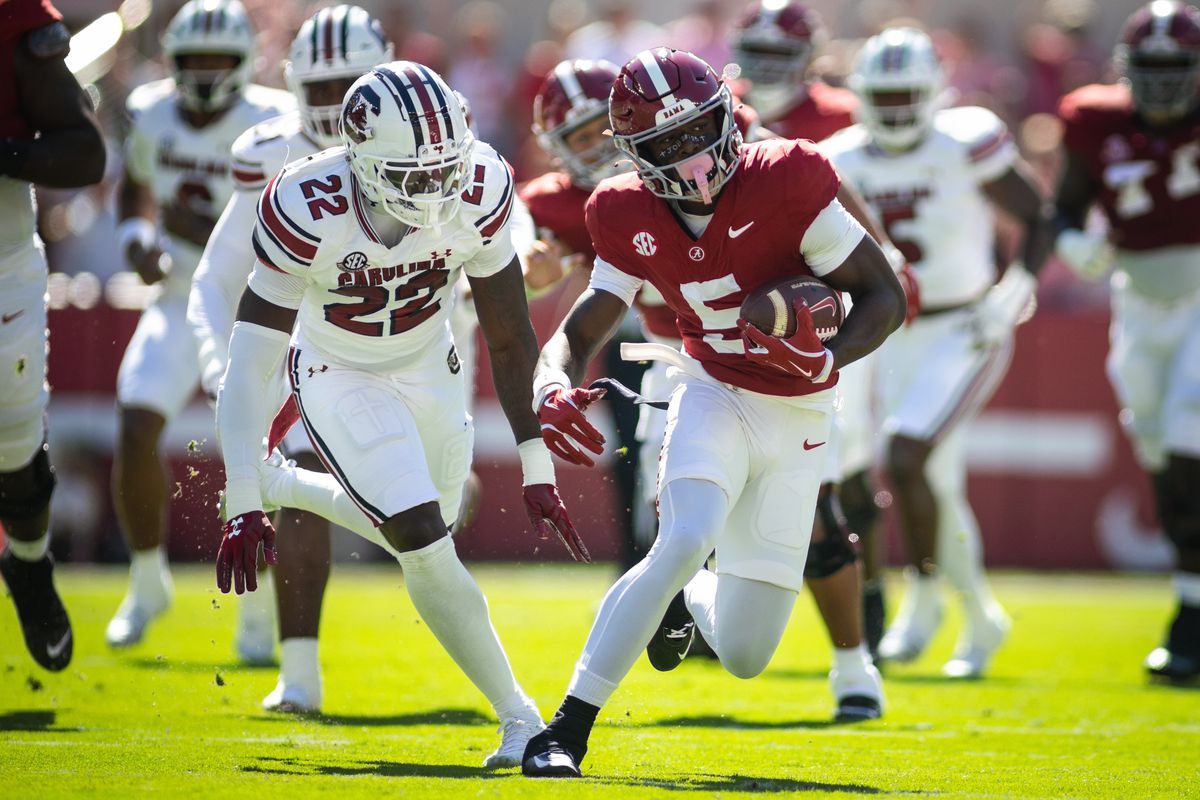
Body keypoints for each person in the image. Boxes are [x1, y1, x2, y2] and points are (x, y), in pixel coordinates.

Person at [521, 48, 906, 778]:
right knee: (682, 536)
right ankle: (566, 729)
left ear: (728, 116)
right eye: (665, 143)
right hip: (711, 388)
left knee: (747, 654)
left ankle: (690, 595)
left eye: (697, 130)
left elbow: (883, 296)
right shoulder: (621, 207)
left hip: (798, 409)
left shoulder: (788, 176)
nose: (689, 153)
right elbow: (580, 327)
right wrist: (551, 382)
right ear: (633, 152)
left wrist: (826, 361)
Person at [212, 61, 583, 767]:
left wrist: (538, 466)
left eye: (445, 168)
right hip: (337, 368)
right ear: (361, 160)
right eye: (414, 174)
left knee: (433, 525)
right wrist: (239, 497)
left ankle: (288, 484)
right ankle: (523, 723)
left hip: (428, 363)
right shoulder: (305, 201)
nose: (437, 188)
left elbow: (509, 337)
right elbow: (249, 360)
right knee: (419, 535)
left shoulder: (479, 183)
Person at [823, 27, 1053, 678]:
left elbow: (1038, 215)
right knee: (933, 483)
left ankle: (922, 598)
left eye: (906, 95)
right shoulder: (840, 156)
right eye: (883, 96)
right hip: (889, 334)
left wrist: (1017, 286)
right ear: (862, 95)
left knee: (905, 453)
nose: (895, 109)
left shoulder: (966, 139)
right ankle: (981, 617)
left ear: (934, 94)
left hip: (964, 327)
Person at [187, 4, 392, 709]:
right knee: (297, 474)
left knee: (435, 517)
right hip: (305, 343)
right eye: (322, 87)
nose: (336, 105)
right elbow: (215, 276)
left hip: (408, 343)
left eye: (351, 84)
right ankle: (299, 672)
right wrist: (222, 363)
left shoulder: (426, 134)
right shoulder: (270, 154)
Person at [106, 0, 294, 652]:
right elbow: (134, 184)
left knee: (254, 449)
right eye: (194, 60)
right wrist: (136, 235)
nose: (207, 71)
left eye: (218, 58)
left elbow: (278, 219)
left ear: (244, 61)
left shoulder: (274, 120)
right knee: (135, 424)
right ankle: (146, 578)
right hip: (179, 298)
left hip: (255, 305)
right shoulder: (153, 110)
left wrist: (181, 230)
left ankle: (255, 604)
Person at [733, 0, 915, 657]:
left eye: (780, 55)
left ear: (810, 58)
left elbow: (857, 208)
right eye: (756, 53)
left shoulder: (841, 117)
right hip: (746, 313)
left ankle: (867, 608)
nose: (764, 69)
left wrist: (888, 268)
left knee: (848, 468)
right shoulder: (716, 105)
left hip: (832, 303)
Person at [1054, 0, 1200, 683]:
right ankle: (1191, 597)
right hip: (1137, 301)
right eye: (1151, 67)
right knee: (1158, 452)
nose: (1165, 82)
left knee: (1186, 435)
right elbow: (1066, 205)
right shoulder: (1093, 119)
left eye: (1177, 68)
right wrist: (1072, 238)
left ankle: (1190, 618)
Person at [0, 0, 106, 672]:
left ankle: (30, 565)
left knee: (13, 450)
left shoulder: (13, 21)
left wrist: (3, 151)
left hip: (1, 266)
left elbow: (82, 151)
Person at [731, 0, 857, 142]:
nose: (765, 64)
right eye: (756, 50)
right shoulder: (721, 104)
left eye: (780, 52)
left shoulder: (841, 114)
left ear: (809, 54)